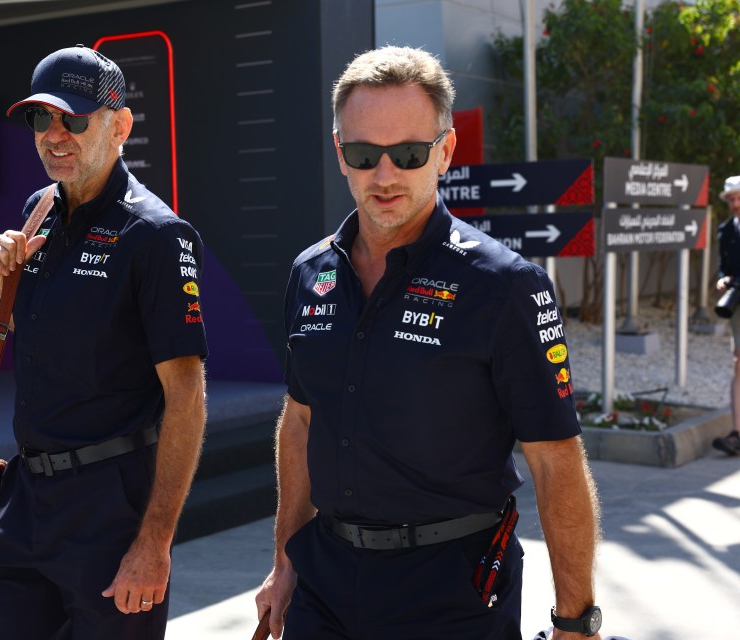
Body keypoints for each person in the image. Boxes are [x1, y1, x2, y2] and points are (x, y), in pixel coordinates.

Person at [254, 46, 603, 639]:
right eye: (364, 154)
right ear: (341, 154)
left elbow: (555, 460)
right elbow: (302, 421)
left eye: (409, 154)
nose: (384, 175)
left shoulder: (504, 287)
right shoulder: (311, 272)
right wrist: (286, 560)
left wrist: (576, 619)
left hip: (454, 590)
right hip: (326, 584)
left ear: (445, 152)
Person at [0, 45, 208, 639]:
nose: (55, 135)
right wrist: (2, 289)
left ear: (120, 125)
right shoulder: (39, 211)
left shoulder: (155, 234)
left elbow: (186, 399)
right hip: (25, 500)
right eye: (40, 119)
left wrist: (154, 542)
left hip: (112, 512)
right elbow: (58, 349)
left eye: (74, 119)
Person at [712, 175, 740, 456]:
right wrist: (724, 280)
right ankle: (737, 432)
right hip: (737, 301)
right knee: (738, 362)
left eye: (738, 197)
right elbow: (723, 266)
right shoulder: (726, 230)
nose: (734, 203)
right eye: (731, 199)